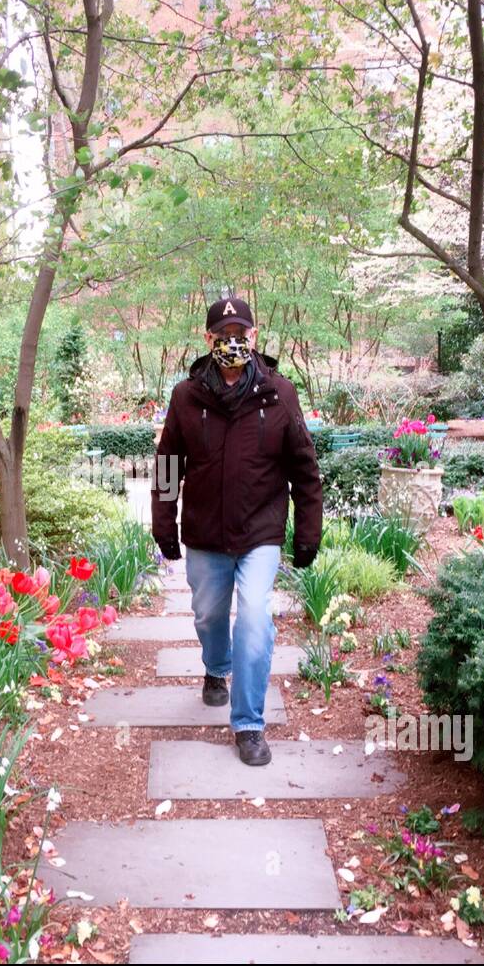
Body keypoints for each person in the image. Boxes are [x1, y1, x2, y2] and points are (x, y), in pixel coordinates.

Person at [150, 297, 323, 766]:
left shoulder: (280, 394)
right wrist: (163, 522)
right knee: (208, 614)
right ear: (207, 340)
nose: (233, 342)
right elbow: (168, 465)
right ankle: (215, 668)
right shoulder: (187, 397)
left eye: (240, 333)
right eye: (222, 334)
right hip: (205, 532)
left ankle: (249, 724)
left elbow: (305, 468)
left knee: (253, 620)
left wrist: (308, 530)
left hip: (260, 532)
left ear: (254, 335)